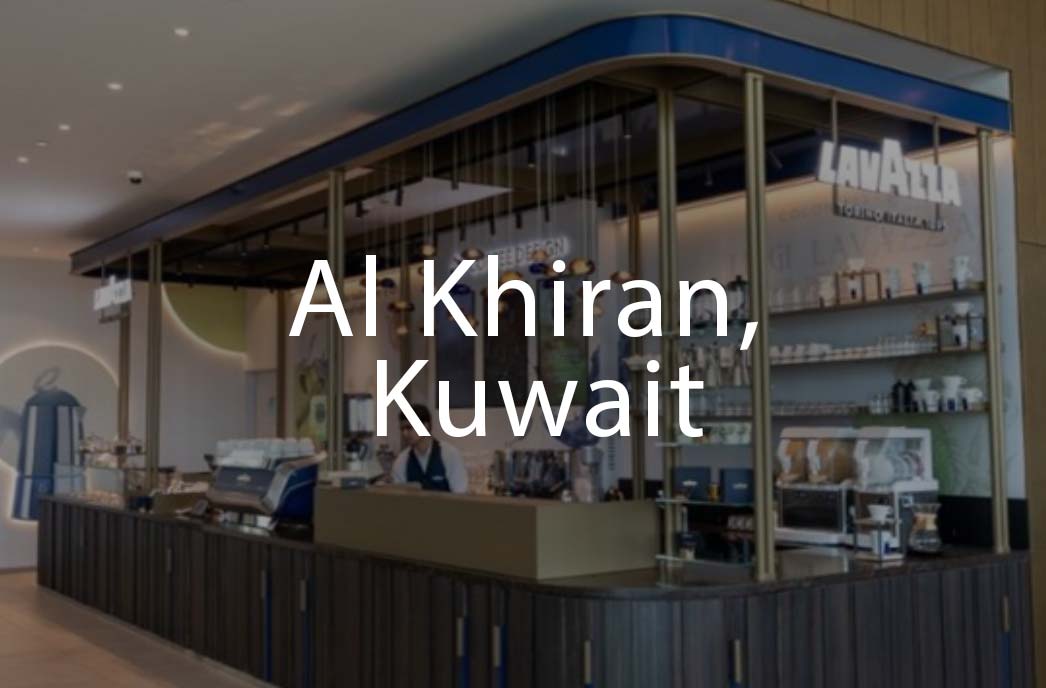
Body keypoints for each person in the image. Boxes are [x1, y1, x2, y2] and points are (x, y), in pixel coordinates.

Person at [390, 404, 468, 493]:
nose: (405, 433)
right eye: (402, 429)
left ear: (426, 426)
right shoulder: (401, 461)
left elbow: (460, 493)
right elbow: (398, 496)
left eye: (409, 428)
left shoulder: (449, 454)